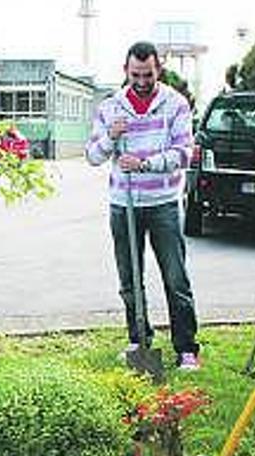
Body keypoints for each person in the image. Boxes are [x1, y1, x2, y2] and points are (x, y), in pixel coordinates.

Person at [85, 41, 200, 370]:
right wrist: (110, 136)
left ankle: (187, 348)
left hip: (163, 202)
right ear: (126, 71)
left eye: (148, 74)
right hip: (124, 204)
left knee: (175, 278)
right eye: (135, 74)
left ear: (157, 70)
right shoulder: (111, 107)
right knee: (130, 279)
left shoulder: (175, 104)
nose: (142, 80)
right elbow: (93, 155)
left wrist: (145, 164)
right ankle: (140, 341)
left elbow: (182, 154)